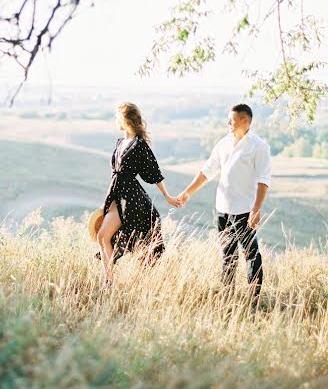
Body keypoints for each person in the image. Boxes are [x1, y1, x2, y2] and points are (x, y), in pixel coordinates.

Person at [177, 103, 271, 304]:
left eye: (232, 119)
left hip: (244, 209)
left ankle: (253, 298)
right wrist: (188, 192)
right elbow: (207, 171)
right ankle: (227, 296)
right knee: (227, 254)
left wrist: (257, 209)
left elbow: (264, 180)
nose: (228, 122)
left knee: (251, 254)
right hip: (222, 210)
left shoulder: (259, 146)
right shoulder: (223, 143)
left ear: (245, 121)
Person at [97, 102, 180, 288]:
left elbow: (154, 172)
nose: (115, 121)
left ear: (125, 119)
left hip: (131, 198)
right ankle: (109, 282)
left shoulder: (139, 145)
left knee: (104, 236)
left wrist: (167, 196)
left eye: (117, 117)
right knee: (102, 237)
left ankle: (109, 283)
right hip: (116, 194)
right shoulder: (120, 142)